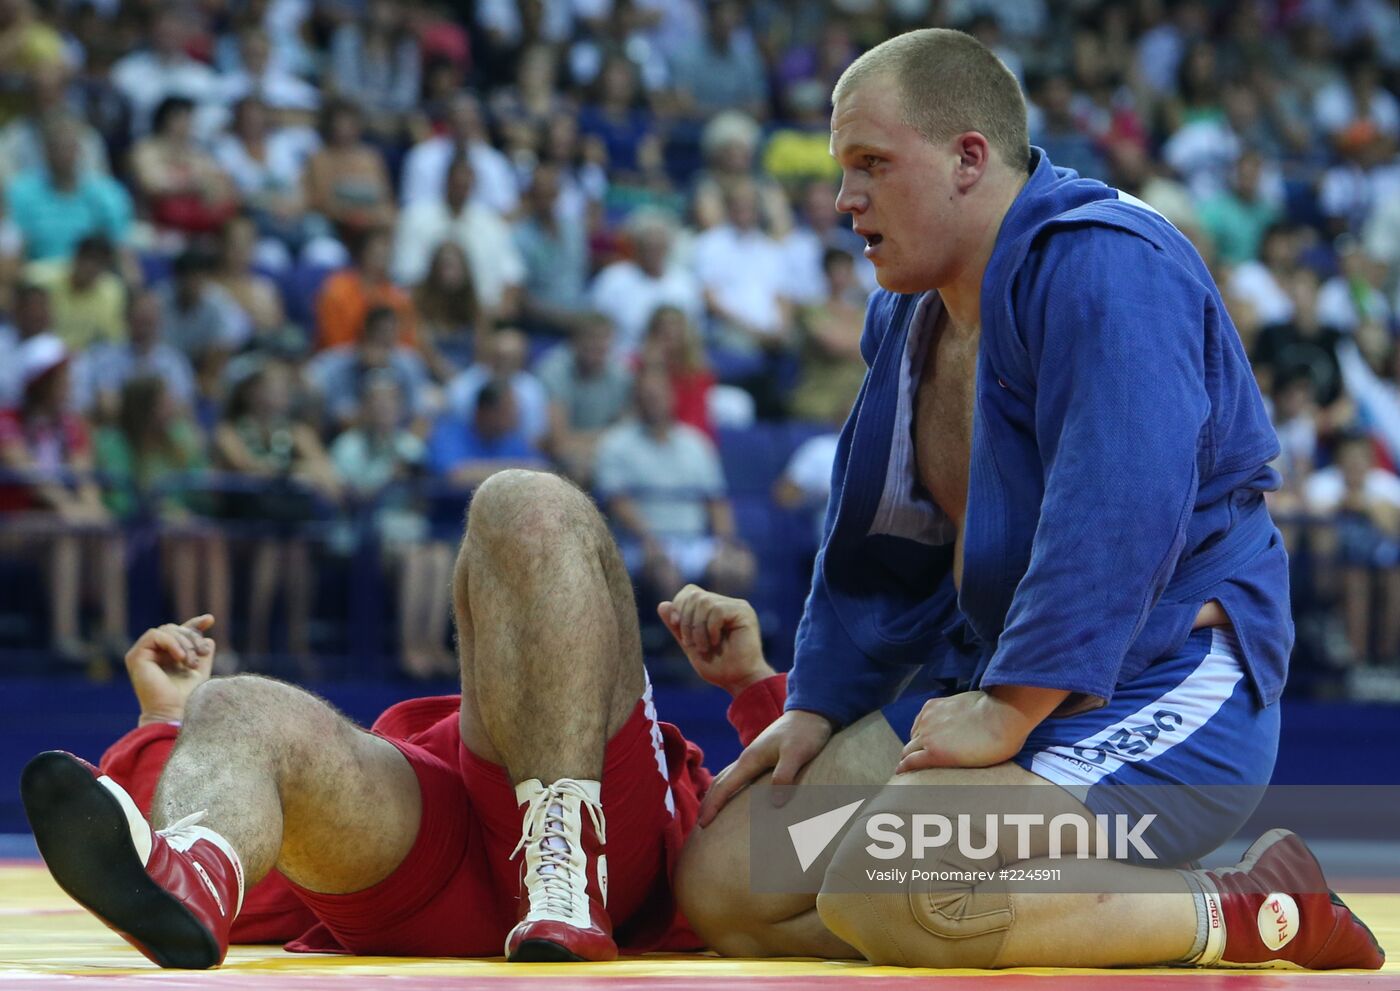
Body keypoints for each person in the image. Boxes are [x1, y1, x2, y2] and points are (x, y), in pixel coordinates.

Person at [673, 28, 1384, 972]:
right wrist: (816, 703)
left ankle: (1249, 906)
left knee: (889, 885)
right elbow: (885, 536)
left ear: (970, 158)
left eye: (871, 165)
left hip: (1158, 688)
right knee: (732, 884)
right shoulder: (911, 306)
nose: (844, 199)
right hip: (1001, 688)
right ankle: (1052, 908)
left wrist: (1009, 707)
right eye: (845, 169)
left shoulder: (1105, 265)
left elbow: (1119, 508)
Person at [19, 473, 791, 969]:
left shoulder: (700, 821)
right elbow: (247, 822)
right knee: (234, 704)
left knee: (523, 502)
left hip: (593, 855)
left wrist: (760, 692)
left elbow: (829, 830)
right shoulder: (428, 742)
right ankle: (195, 878)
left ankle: (564, 867)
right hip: (433, 841)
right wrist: (166, 716)